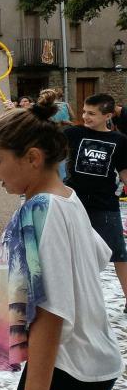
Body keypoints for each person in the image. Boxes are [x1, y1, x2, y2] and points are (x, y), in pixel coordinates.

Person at [0, 97, 121, 390]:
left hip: (68, 366)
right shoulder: (65, 197)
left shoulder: (42, 210)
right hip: (88, 357)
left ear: (32, 158)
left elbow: (50, 310)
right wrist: (13, 250)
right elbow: (95, 255)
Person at [61, 93, 127, 308]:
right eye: (84, 112)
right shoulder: (74, 133)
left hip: (105, 204)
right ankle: (69, 300)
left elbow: (124, 173)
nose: (85, 116)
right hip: (73, 202)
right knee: (69, 252)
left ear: (107, 115)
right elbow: (41, 136)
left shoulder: (119, 140)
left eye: (92, 113)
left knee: (118, 253)